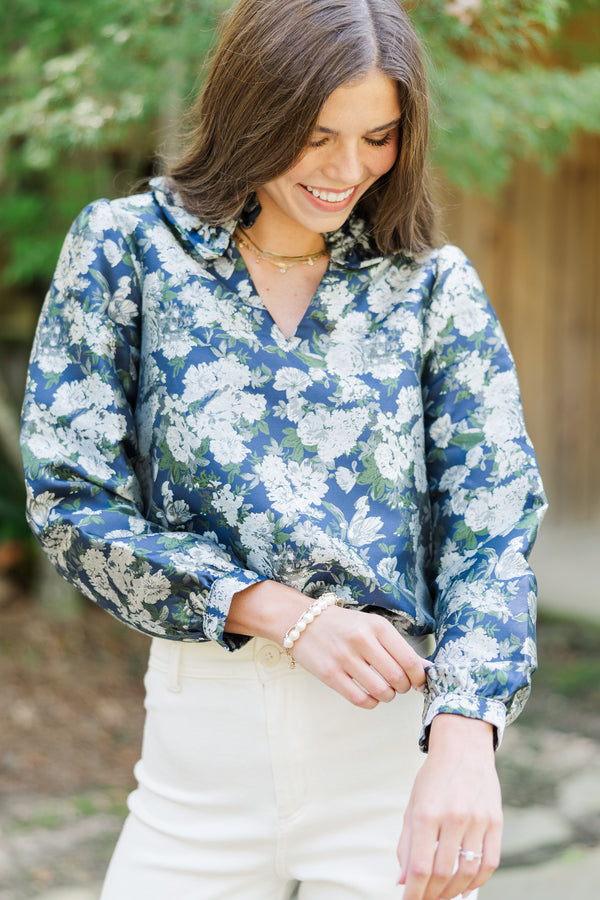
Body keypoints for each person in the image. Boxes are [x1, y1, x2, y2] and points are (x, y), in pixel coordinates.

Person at [20, 1, 547, 898]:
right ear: (249, 110)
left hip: (389, 762)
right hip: (197, 763)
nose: (349, 170)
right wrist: (278, 612)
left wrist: (466, 738)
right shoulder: (124, 251)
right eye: (315, 135)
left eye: (379, 137)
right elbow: (70, 500)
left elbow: (492, 530)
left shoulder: (431, 287)